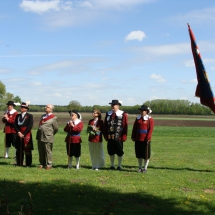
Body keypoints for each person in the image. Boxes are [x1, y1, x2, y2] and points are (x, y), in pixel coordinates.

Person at [103, 100, 128, 170]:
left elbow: (124, 126)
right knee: (111, 151)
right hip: (110, 136)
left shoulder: (123, 114)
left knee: (119, 151)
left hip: (119, 137)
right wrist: (105, 135)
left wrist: (124, 136)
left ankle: (119, 165)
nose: (112, 106)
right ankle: (112, 165)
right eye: (112, 105)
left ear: (118, 106)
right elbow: (105, 125)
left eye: (114, 105)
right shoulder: (108, 114)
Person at [131, 105, 154, 173]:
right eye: (141, 110)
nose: (141, 112)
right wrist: (133, 136)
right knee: (139, 154)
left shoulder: (150, 119)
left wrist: (148, 138)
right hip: (138, 138)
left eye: (143, 110)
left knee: (146, 155)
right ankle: (140, 167)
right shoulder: (138, 118)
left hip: (145, 139)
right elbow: (134, 128)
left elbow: (150, 129)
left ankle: (145, 168)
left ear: (146, 111)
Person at [36, 104, 58, 170]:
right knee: (41, 150)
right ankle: (42, 163)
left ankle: (49, 164)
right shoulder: (42, 116)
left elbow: (56, 128)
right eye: (46, 106)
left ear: (51, 109)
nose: (46, 108)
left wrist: (50, 134)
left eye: (47, 107)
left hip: (48, 136)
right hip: (40, 135)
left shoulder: (53, 118)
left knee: (48, 151)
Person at [14, 102, 33, 167]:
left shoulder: (29, 116)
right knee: (19, 149)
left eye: (23, 107)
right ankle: (19, 163)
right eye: (21, 107)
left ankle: (28, 164)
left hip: (26, 134)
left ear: (26, 109)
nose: (21, 108)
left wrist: (24, 134)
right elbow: (15, 125)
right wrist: (18, 132)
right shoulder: (17, 116)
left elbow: (30, 126)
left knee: (27, 149)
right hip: (19, 133)